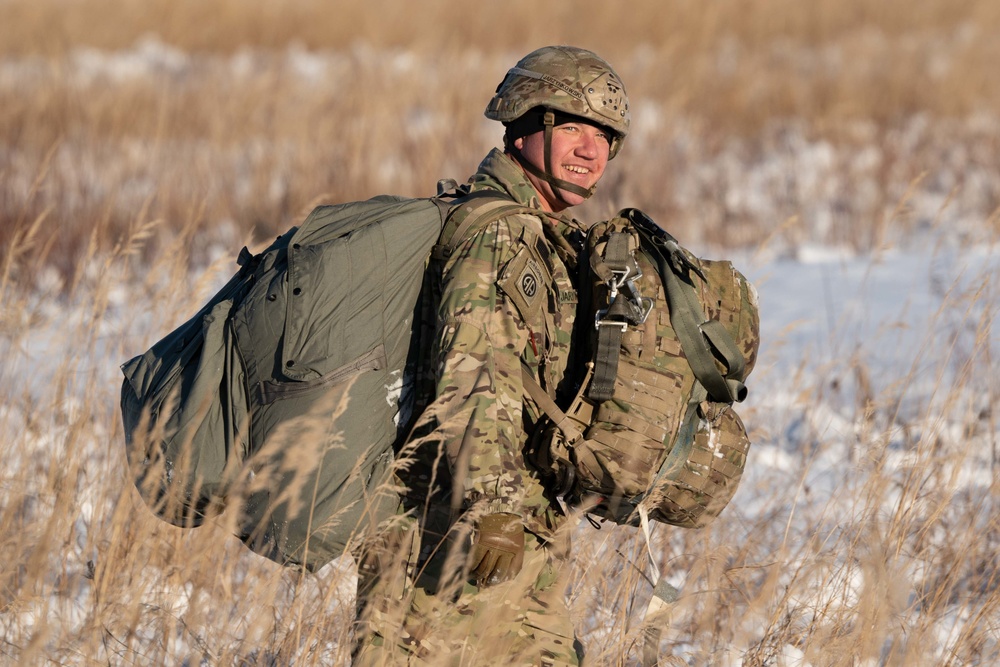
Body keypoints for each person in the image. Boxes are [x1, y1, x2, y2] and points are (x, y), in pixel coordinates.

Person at [353, 45, 630, 666]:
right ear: (528, 124)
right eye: (577, 127)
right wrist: (495, 510)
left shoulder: (534, 231)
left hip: (492, 521)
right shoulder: (497, 233)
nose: (594, 150)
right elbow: (476, 374)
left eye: (607, 136)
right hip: (450, 529)